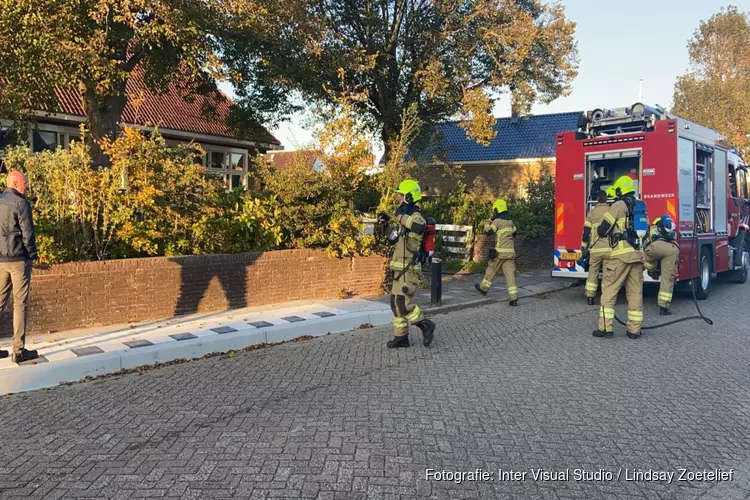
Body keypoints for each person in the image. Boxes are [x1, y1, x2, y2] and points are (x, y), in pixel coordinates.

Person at [377, 179, 436, 349]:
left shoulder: (416, 218)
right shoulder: (405, 219)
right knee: (395, 303)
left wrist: (399, 216)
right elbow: (393, 238)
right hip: (399, 269)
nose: (399, 200)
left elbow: (418, 226)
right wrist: (385, 225)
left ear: (409, 197)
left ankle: (425, 325)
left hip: (409, 269)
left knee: (403, 303)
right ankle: (401, 337)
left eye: (401, 196)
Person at [593, 175, 646, 339]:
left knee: (609, 291)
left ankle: (605, 329)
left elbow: (603, 229)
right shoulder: (640, 206)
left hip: (620, 256)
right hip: (637, 256)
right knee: (635, 294)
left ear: (619, 190)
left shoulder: (618, 205)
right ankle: (634, 330)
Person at [0, 171, 40, 363]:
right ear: (16, 183)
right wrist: (32, 254)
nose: (26, 185)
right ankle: (18, 350)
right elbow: (28, 233)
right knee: (19, 304)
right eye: (24, 182)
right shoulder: (21, 203)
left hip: (0, 261)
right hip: (18, 260)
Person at [474, 199, 518, 305]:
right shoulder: (510, 222)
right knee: (510, 275)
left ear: (497, 210)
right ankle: (513, 299)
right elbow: (514, 233)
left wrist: (488, 221)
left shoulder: (497, 221)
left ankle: (483, 289)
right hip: (510, 253)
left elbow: (488, 232)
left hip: (500, 252)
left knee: (491, 270)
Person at [581, 190, 612, 305]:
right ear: (606, 198)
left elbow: (586, 232)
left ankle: (590, 297)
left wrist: (584, 247)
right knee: (607, 274)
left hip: (595, 249)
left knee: (592, 273)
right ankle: (606, 297)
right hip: (609, 249)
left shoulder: (592, 213)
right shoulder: (611, 211)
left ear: (598, 199)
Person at [644, 214, 679, 315]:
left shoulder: (653, 228)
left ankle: (652, 270)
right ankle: (664, 307)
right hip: (672, 249)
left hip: (654, 248)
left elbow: (646, 241)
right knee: (667, 278)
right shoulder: (671, 228)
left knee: (645, 259)